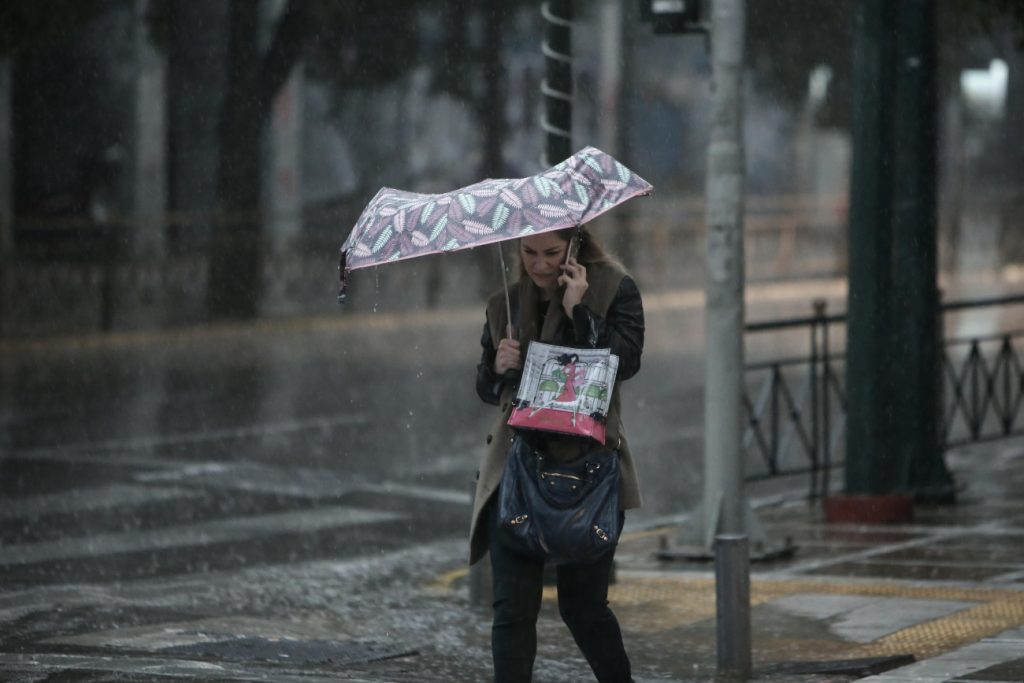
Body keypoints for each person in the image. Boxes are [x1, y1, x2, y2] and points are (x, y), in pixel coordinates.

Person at [469, 225, 645, 682]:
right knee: (512, 608)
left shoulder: (613, 290)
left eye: (551, 252)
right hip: (515, 470)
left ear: (575, 246)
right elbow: (488, 390)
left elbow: (625, 362)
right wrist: (496, 367)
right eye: (529, 252)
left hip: (586, 473)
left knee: (583, 608)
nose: (540, 264)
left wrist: (580, 311)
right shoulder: (504, 304)